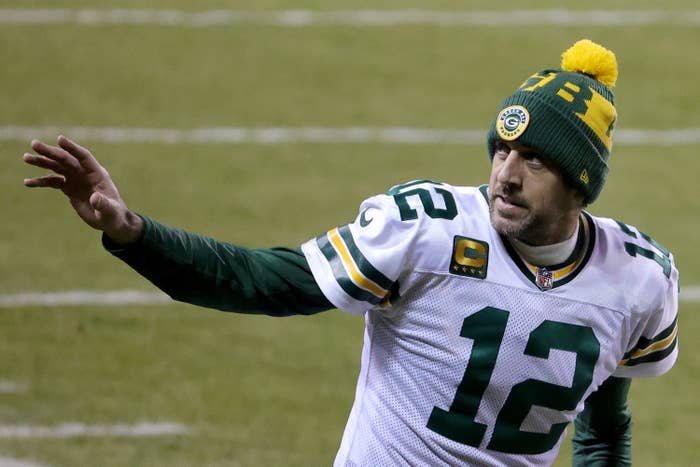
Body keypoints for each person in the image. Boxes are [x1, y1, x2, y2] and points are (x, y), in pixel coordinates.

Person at [22, 39, 678, 466]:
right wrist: (134, 230)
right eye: (503, 150)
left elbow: (603, 426)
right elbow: (264, 281)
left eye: (533, 159)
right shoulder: (425, 230)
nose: (504, 174)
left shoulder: (639, 278)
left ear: (579, 183)